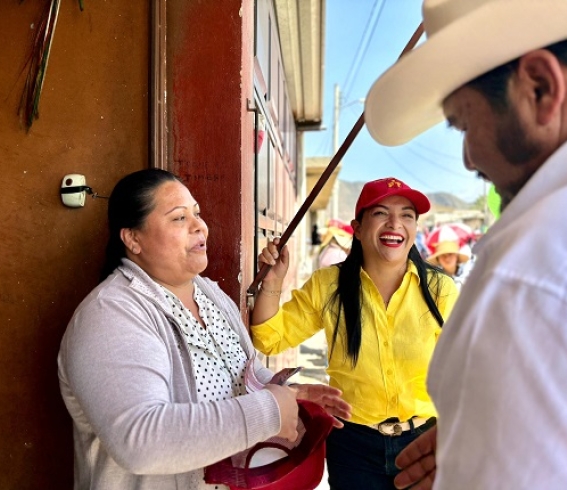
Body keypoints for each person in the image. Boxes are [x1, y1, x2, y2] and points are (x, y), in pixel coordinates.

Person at [363, 1, 567, 488]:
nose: (467, 159)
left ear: (539, 89)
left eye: (463, 124)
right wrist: (486, 426)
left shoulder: (530, 275)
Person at [57, 169, 351, 490]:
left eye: (197, 213)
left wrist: (286, 393)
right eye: (179, 218)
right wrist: (268, 411)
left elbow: (242, 373)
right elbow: (140, 441)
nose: (200, 225)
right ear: (133, 238)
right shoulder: (111, 315)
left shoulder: (208, 293)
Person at [250, 177, 458, 489]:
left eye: (407, 215)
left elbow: (464, 370)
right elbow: (268, 337)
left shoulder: (439, 288)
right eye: (381, 213)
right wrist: (273, 283)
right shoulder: (328, 285)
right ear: (357, 228)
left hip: (424, 440)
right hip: (353, 447)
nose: (395, 224)